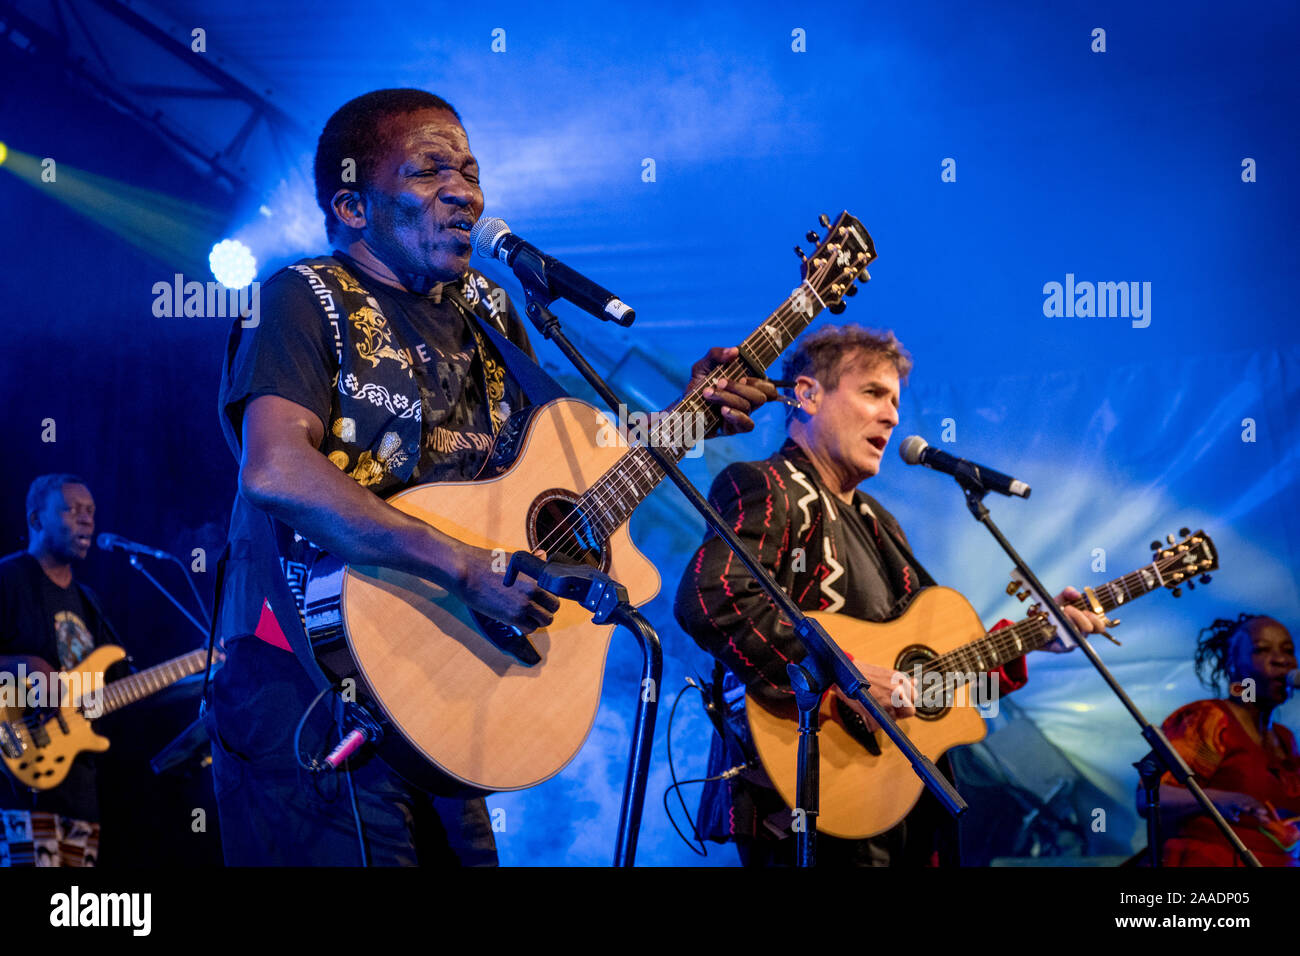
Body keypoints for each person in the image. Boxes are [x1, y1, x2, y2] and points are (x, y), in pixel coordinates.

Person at [207, 88, 775, 866]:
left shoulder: (491, 312)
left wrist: (685, 419)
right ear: (353, 205)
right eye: (429, 170)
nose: (464, 191)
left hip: (448, 694)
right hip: (308, 698)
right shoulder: (303, 298)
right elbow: (275, 469)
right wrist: (465, 565)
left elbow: (562, 482)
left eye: (470, 171)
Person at [674, 324, 1105, 866]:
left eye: (896, 401)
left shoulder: (881, 524)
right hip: (802, 794)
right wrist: (843, 675)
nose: (893, 416)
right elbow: (713, 595)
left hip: (893, 801)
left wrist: (1037, 636)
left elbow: (936, 667)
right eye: (873, 393)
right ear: (806, 394)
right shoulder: (768, 485)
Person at [0, 474, 120, 867]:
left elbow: (114, 691)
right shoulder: (8, 580)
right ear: (36, 520)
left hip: (79, 790)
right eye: (72, 509)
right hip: (17, 782)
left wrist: (198, 676)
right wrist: (25, 665)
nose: (87, 520)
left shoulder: (90, 602)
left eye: (91, 512)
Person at [1142, 614, 1300, 866]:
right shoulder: (1212, 719)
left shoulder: (1286, 738)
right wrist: (1219, 799)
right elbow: (1151, 795)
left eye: (1288, 651)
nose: (1281, 660)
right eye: (1261, 650)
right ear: (1233, 665)